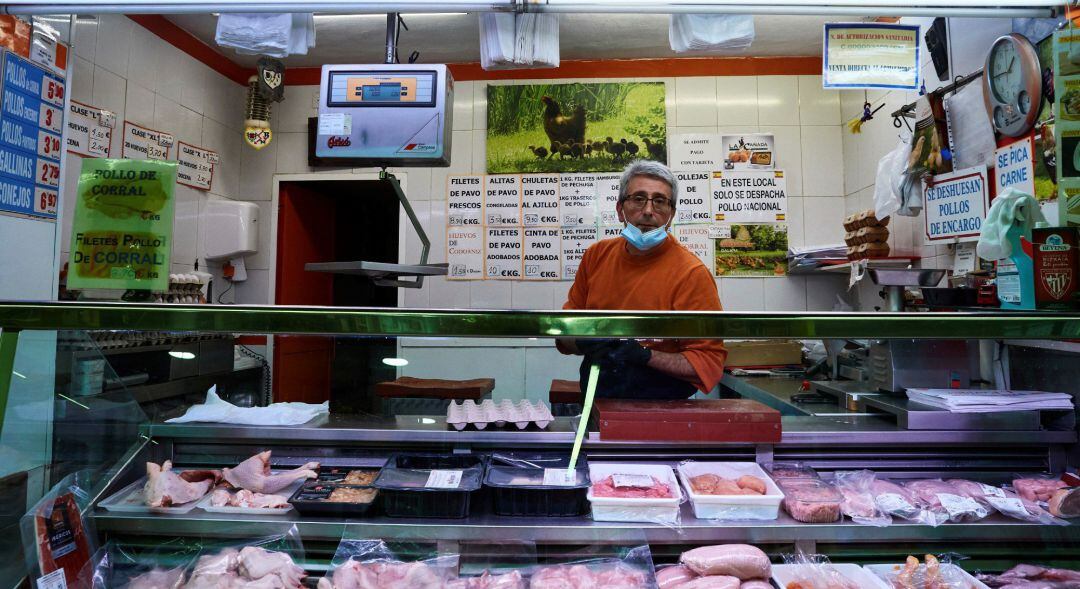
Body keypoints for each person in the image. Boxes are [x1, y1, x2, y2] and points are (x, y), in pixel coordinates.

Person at [556, 160, 727, 399]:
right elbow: (564, 336)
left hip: (663, 410)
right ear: (620, 209)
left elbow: (707, 363)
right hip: (598, 398)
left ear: (672, 214)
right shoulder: (596, 256)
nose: (648, 210)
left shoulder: (691, 273)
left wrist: (644, 356)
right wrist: (583, 340)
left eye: (659, 201)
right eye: (638, 198)